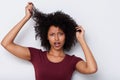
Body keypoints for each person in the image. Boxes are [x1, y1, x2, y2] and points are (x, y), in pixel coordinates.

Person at [1, 2, 97, 80]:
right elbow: (6, 43)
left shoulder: (72, 61)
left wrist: (81, 40)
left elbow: (92, 69)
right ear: (46, 37)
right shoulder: (37, 56)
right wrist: (26, 17)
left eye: (60, 34)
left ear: (66, 35)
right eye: (52, 34)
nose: (56, 38)